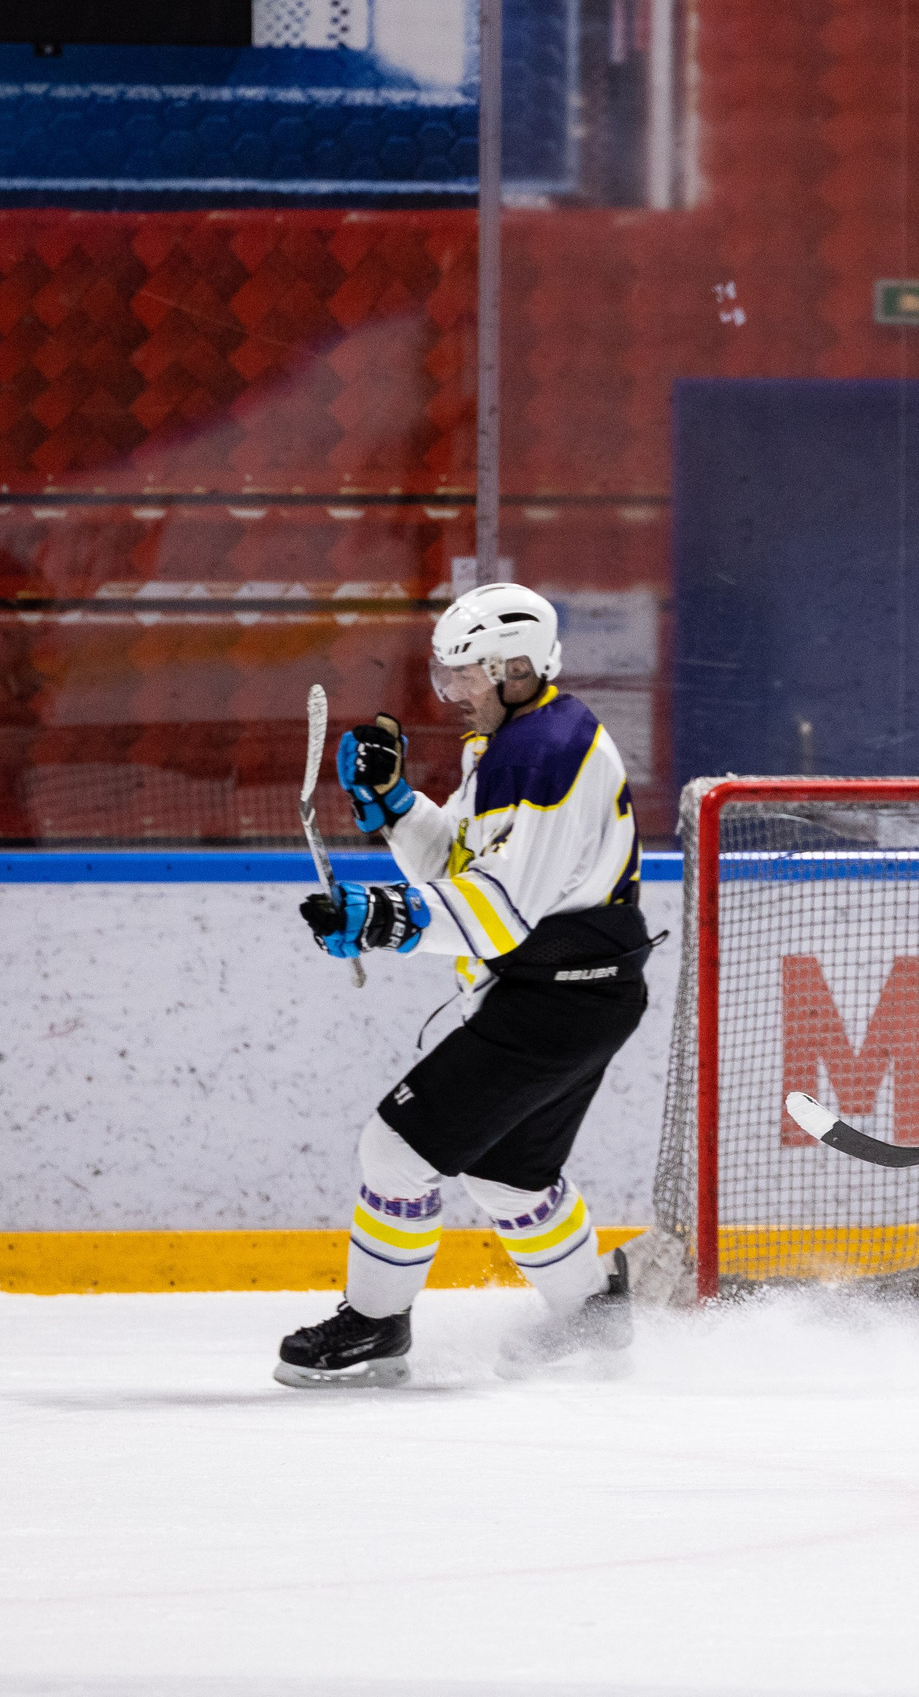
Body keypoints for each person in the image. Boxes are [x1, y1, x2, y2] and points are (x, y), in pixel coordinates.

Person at [275, 583, 652, 1388]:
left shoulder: (546, 753)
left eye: (466, 678)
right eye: (446, 680)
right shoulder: (515, 740)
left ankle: (376, 1325)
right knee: (507, 1173)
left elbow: (499, 913)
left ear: (515, 668)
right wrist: (396, 806)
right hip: (579, 991)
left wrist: (383, 919)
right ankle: (591, 1314)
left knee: (396, 1150)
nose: (453, 698)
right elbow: (461, 864)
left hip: (559, 997)